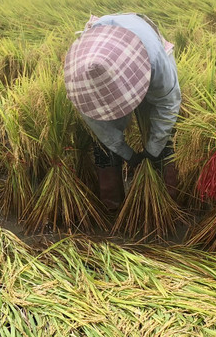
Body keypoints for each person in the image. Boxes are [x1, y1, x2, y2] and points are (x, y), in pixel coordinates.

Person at [64, 13, 181, 210]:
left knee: (164, 138)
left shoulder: (156, 62)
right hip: (101, 48)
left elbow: (168, 105)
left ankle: (169, 205)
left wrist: (152, 150)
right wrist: (127, 154)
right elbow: (101, 127)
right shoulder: (81, 84)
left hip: (142, 50)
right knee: (104, 148)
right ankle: (113, 207)